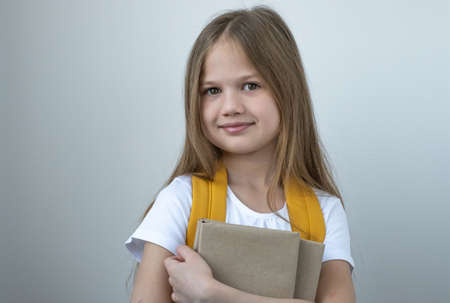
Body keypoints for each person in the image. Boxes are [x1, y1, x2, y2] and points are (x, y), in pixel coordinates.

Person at [124, 5, 355, 303]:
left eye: (250, 86)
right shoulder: (181, 201)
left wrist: (213, 294)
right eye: (212, 90)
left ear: (288, 91)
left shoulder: (325, 212)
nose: (230, 106)